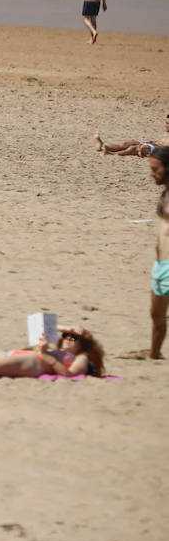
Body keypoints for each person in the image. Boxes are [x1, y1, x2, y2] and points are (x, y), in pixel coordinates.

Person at [149, 146, 169, 359]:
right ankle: (154, 354)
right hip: (160, 265)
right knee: (156, 315)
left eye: (156, 169)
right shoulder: (165, 193)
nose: (151, 174)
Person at [94, 112, 169, 158]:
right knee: (129, 143)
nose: (165, 125)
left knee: (133, 148)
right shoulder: (166, 134)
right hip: (152, 144)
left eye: (168, 124)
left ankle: (112, 153)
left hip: (156, 150)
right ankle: (102, 146)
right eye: (166, 123)